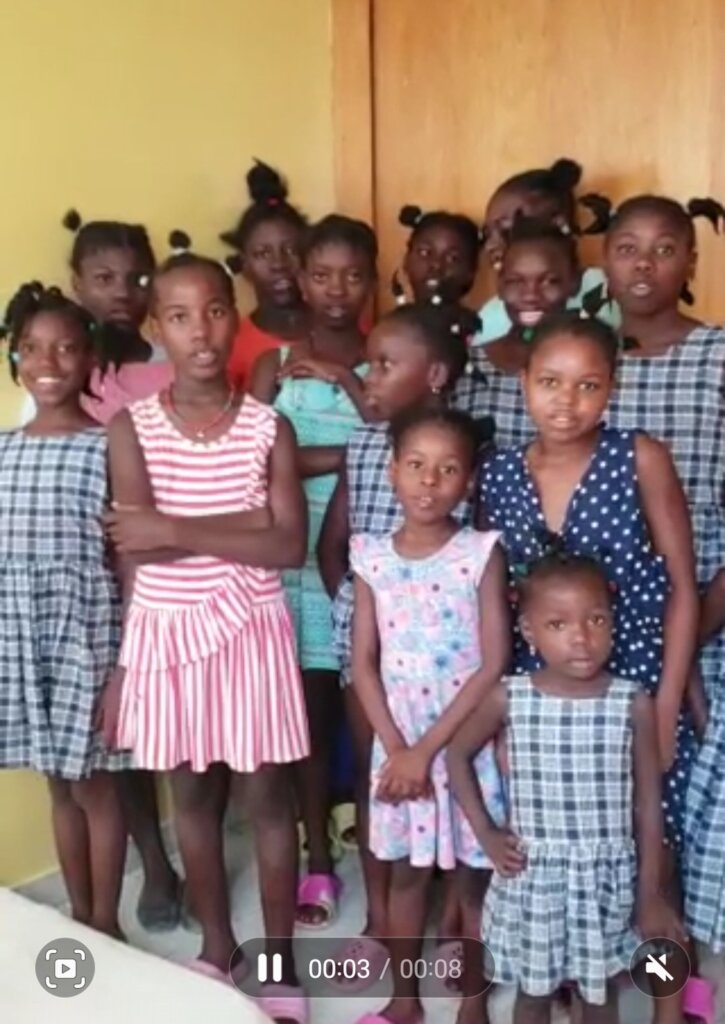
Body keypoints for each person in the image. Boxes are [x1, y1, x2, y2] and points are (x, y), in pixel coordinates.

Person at [101, 243, 310, 1024]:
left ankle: (279, 963)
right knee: (190, 796)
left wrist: (174, 527)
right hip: (165, 631)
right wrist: (243, 523)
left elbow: (287, 546)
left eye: (215, 311)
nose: (201, 330)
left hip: (252, 628)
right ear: (157, 327)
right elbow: (134, 549)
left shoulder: (268, 427)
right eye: (181, 316)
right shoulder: (130, 429)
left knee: (267, 800)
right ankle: (218, 949)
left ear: (233, 318)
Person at [477, 313, 700, 1024]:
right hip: (544, 696)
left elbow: (683, 587)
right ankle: (575, 976)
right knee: (566, 850)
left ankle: (666, 1005)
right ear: (522, 382)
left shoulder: (639, 457)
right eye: (549, 382)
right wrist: (504, 721)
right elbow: (499, 599)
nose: (566, 402)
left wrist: (665, 704)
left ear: (613, 387)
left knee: (654, 849)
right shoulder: (499, 473)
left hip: (633, 677)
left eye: (587, 385)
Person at [317, 302, 490, 989]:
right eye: (369, 364)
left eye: (385, 365)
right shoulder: (365, 448)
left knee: (462, 803)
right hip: (381, 662)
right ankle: (383, 927)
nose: (370, 377)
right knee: (382, 786)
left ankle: (456, 929)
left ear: (436, 374)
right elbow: (336, 544)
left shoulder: (470, 472)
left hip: (453, 677)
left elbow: (483, 599)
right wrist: (361, 607)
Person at [447, 553, 685, 1024]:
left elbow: (648, 803)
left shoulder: (632, 702)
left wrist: (650, 891)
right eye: (558, 624)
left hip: (605, 880)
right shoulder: (509, 696)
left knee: (599, 997)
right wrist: (487, 834)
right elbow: (457, 756)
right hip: (535, 879)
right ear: (529, 631)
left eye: (596, 620)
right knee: (533, 996)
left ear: (613, 621)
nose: (581, 637)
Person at [349, 406, 509, 1024]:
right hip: (399, 744)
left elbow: (493, 662)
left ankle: (474, 1004)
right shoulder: (371, 556)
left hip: (466, 742)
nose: (429, 481)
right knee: (406, 878)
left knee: (472, 880)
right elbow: (364, 664)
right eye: (416, 465)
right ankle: (404, 1000)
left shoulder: (480, 552)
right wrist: (398, 749)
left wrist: (427, 750)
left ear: (468, 481)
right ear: (391, 470)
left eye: (447, 469)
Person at [251, 213, 377, 928]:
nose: (336, 289)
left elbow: (399, 443)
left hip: (363, 567)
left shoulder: (386, 358)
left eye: (353, 275)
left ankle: (377, 859)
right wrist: (346, 456)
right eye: (322, 274)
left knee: (364, 731)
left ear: (372, 280)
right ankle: (319, 865)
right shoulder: (273, 367)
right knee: (305, 724)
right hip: (289, 567)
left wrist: (343, 378)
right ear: (301, 277)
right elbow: (256, 461)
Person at [0, 282, 128, 937]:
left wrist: (124, 667)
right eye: (30, 348)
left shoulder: (106, 447)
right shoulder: (3, 449)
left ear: (90, 359)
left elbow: (129, 560)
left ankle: (106, 923)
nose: (46, 362)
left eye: (65, 348)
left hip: (86, 635)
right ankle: (79, 916)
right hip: (20, 637)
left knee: (94, 785)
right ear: (14, 357)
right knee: (57, 780)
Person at [454, 216, 581, 447]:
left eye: (549, 281)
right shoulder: (468, 366)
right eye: (515, 281)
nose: (530, 295)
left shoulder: (594, 368)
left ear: (574, 283)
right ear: (500, 285)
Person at [476, 158, 619, 344]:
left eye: (505, 228)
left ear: (559, 223)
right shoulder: (495, 312)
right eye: (487, 232)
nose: (490, 245)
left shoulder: (604, 290)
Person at [221, 160, 309, 388]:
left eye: (291, 250)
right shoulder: (231, 343)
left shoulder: (343, 328)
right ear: (244, 265)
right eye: (263, 254)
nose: (279, 264)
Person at [392, 204, 482, 307]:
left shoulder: (485, 316)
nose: (436, 265)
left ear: (471, 272)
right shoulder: (394, 317)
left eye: (452, 258)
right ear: (406, 260)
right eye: (425, 252)